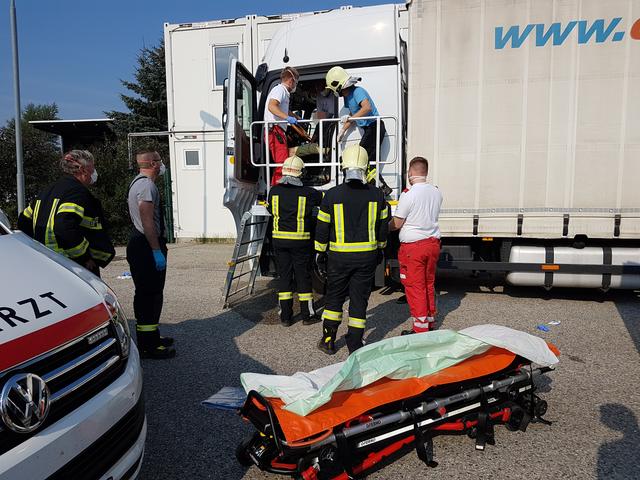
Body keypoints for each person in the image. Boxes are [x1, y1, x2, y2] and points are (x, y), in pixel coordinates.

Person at [315, 145, 389, 355]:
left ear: (343, 166)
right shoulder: (377, 195)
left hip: (338, 258)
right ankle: (354, 344)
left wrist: (319, 252)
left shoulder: (331, 195)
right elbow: (383, 228)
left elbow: (322, 227)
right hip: (367, 258)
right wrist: (381, 248)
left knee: (334, 298)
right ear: (366, 167)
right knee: (359, 300)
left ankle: (328, 340)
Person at [17, 150, 115, 276]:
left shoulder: (48, 190)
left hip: (47, 261)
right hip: (72, 265)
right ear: (82, 170)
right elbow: (64, 226)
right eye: (92, 168)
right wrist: (83, 257)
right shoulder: (77, 192)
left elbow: (23, 221)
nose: (94, 172)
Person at [126, 151, 176, 359]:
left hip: (142, 244)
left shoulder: (137, 183)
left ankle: (152, 337)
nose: (162, 165)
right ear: (153, 164)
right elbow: (147, 220)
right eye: (160, 161)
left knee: (150, 294)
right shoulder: (147, 186)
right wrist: (156, 250)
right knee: (149, 296)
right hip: (146, 246)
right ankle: (148, 346)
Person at [389, 157, 443, 334]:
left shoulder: (408, 194)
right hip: (433, 244)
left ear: (411, 172)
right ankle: (429, 322)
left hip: (414, 248)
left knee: (414, 287)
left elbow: (397, 223)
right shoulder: (436, 192)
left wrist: (382, 226)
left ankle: (419, 331)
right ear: (425, 172)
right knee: (428, 284)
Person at [267, 156, 323, 326]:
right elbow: (320, 201)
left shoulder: (273, 191)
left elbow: (269, 209)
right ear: (301, 173)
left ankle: (285, 317)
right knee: (303, 277)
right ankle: (307, 315)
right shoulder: (310, 193)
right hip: (301, 242)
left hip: (279, 242)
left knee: (284, 277)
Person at [325, 66, 392, 195]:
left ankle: (382, 188)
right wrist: (343, 130)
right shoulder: (348, 96)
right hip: (369, 129)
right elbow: (353, 112)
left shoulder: (358, 91)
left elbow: (366, 108)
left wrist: (349, 118)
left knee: (360, 157)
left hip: (375, 127)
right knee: (367, 161)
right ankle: (381, 188)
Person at [264, 66, 300, 186]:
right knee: (281, 163)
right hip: (274, 130)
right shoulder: (279, 90)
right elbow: (272, 106)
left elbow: (282, 109)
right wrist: (287, 118)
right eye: (296, 82)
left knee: (281, 163)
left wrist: (295, 116)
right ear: (291, 80)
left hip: (277, 130)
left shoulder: (283, 92)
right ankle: (276, 189)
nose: (295, 85)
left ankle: (276, 188)